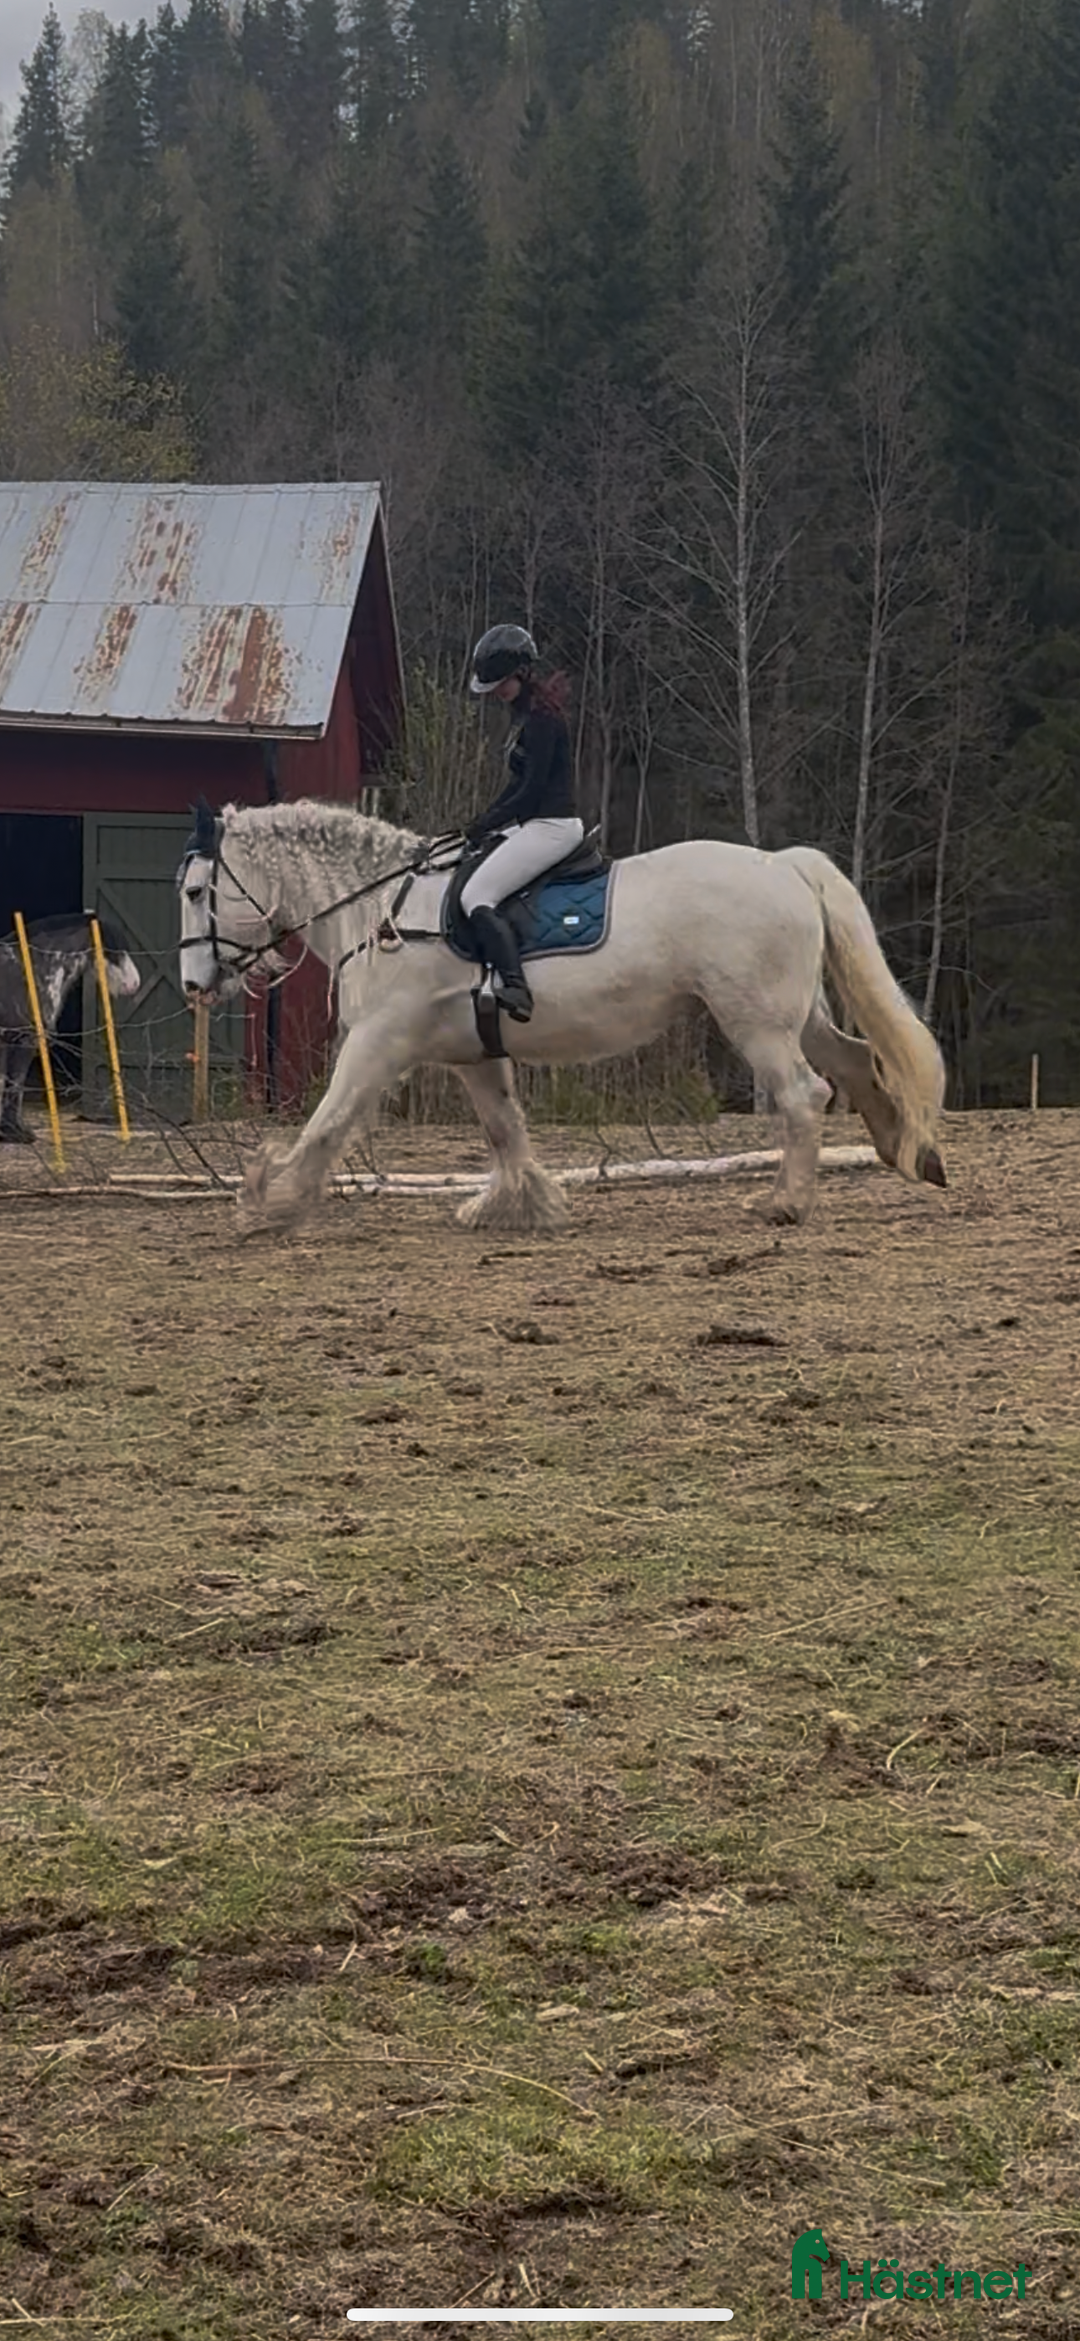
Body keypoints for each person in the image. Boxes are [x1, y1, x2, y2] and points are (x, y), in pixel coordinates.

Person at [461, 623, 584, 1021]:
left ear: (522, 673)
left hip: (552, 825)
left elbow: (530, 792)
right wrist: (479, 824)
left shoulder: (542, 721)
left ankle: (515, 986)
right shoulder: (524, 718)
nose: (496, 691)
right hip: (532, 822)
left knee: (475, 895)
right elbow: (515, 787)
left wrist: (488, 822)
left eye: (501, 683)